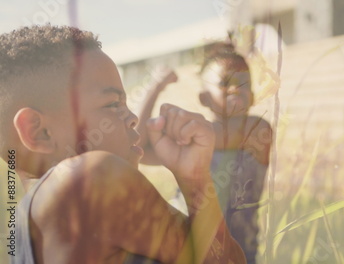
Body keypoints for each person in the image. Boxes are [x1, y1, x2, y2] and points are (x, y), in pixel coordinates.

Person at [0, 25, 245, 264]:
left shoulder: (22, 232)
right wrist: (196, 180)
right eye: (111, 104)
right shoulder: (89, 178)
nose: (133, 118)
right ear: (38, 132)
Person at [138, 42, 271, 264]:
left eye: (243, 83)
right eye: (224, 82)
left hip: (236, 255)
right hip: (182, 250)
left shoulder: (258, 129)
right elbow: (139, 146)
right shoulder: (194, 137)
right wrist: (155, 86)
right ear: (204, 99)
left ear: (254, 96)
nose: (235, 88)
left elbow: (221, 134)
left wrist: (176, 133)